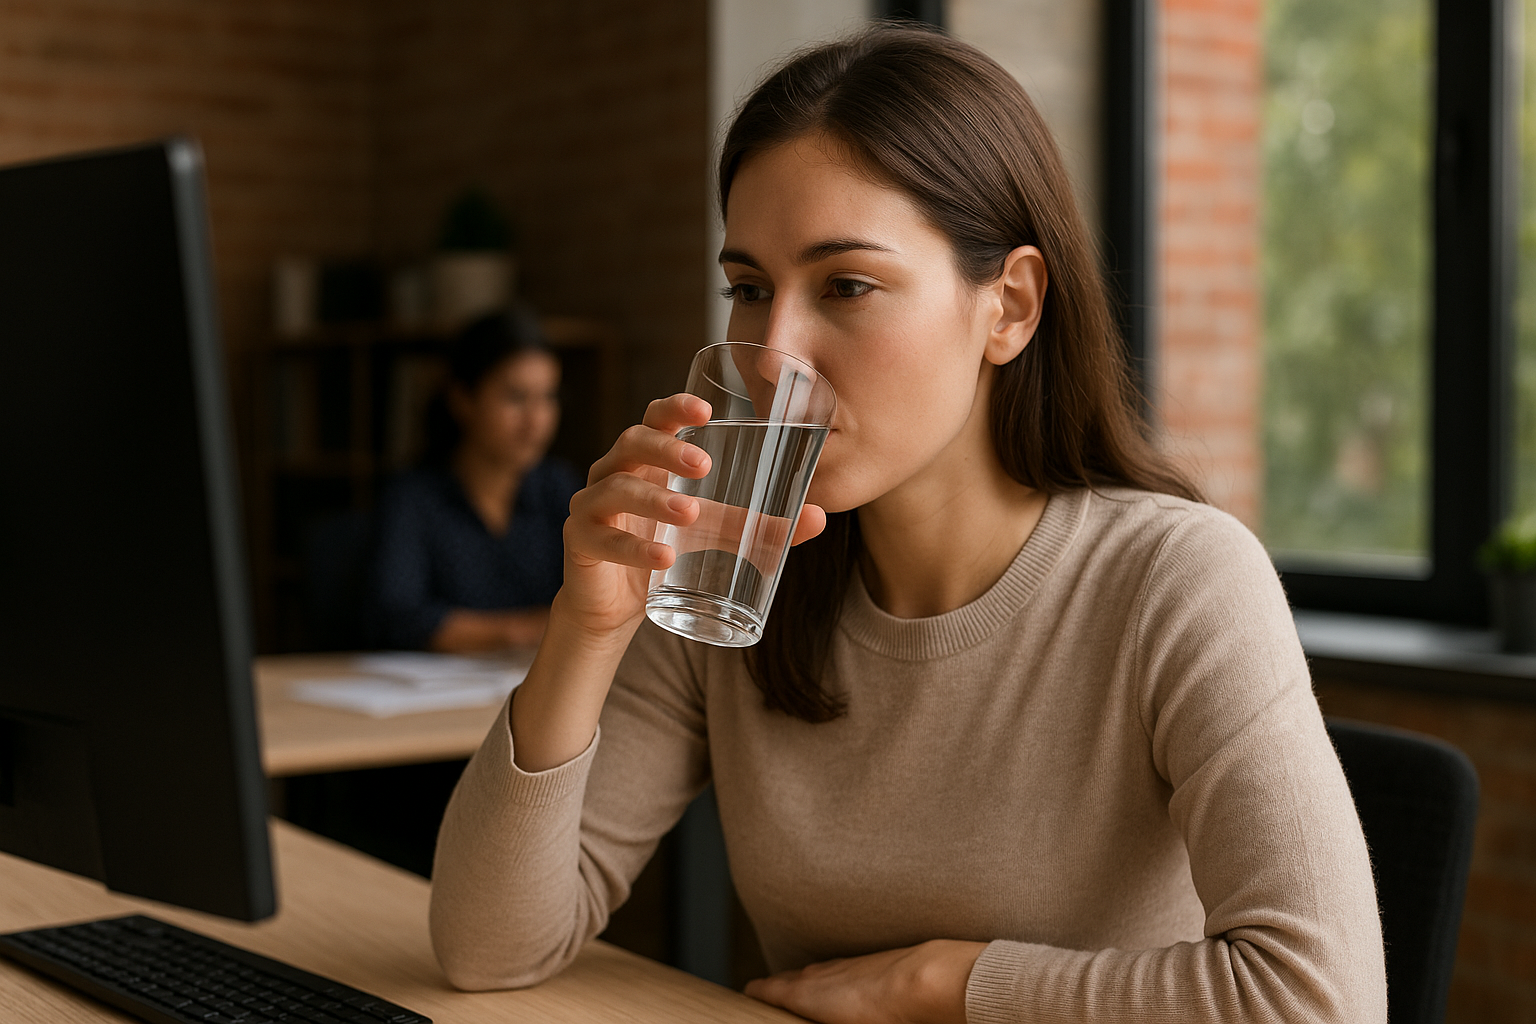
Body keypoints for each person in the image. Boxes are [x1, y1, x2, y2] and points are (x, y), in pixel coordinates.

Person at [429, 25, 1387, 1023]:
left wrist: (938, 982)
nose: (774, 351)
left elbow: (1321, 1001)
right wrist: (585, 631)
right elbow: (489, 950)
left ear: (1009, 307)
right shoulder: (732, 572)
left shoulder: (1173, 579)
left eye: (846, 285)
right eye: (750, 289)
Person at [368, 308, 582, 652]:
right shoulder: (413, 498)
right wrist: (519, 632)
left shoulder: (560, 488)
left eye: (547, 397)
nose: (535, 420)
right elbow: (400, 616)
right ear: (463, 399)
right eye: (515, 398)